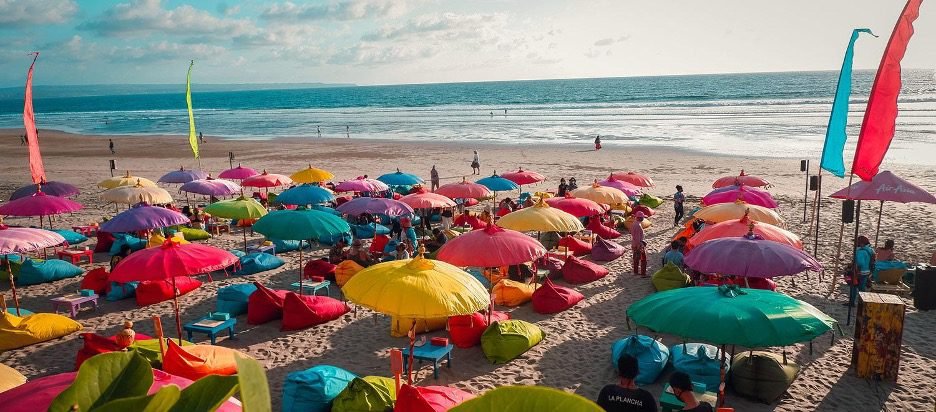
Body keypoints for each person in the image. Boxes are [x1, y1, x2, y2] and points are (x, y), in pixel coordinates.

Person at [849, 235, 875, 306]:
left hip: (859, 272)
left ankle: (852, 302)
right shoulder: (870, 250)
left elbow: (860, 263)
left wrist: (857, 272)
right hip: (866, 271)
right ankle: (863, 303)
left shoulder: (861, 251)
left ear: (861, 243)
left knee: (854, 286)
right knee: (862, 288)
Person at [631, 212, 647, 276]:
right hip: (638, 245)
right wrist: (640, 245)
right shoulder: (638, 225)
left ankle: (636, 271)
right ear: (640, 218)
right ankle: (643, 273)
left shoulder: (635, 223)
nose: (643, 218)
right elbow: (637, 238)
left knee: (636, 258)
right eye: (642, 217)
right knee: (643, 259)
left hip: (634, 244)